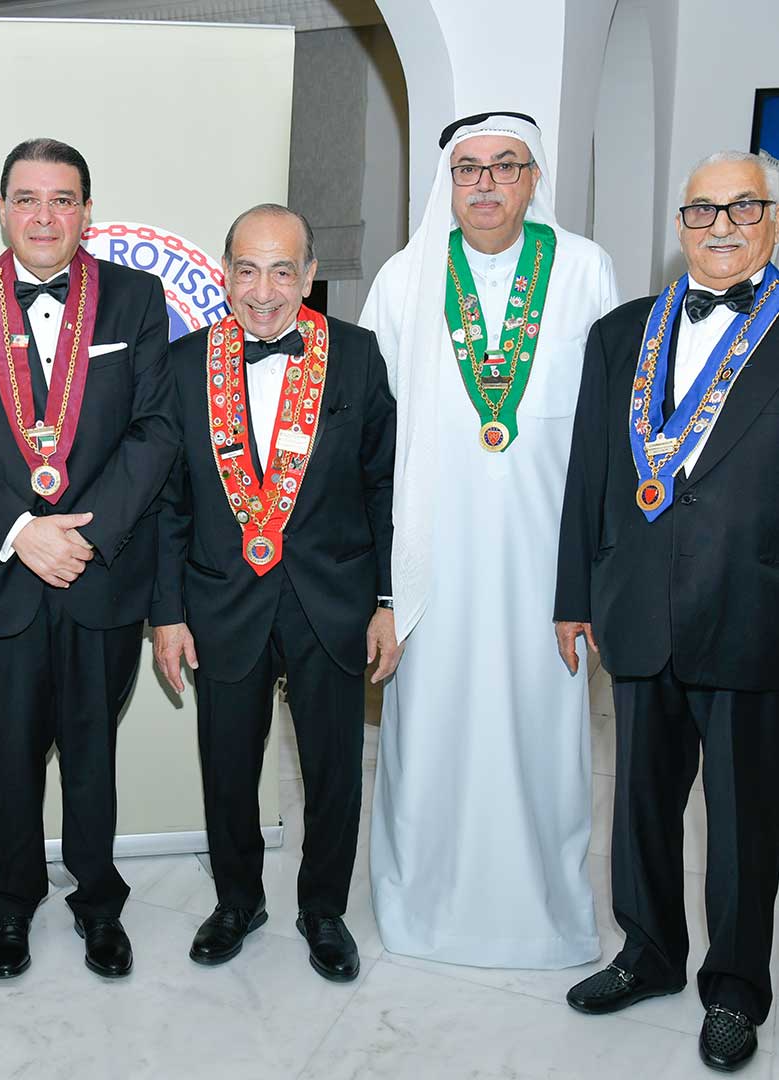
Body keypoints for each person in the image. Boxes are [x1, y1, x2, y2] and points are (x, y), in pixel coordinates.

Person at [359, 111, 619, 967]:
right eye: (467, 168)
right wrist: (381, 586)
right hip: (431, 555)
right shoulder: (404, 277)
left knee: (538, 729)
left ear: (533, 179)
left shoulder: (583, 267)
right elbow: (371, 435)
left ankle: (541, 912)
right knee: (432, 727)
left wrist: (592, 573)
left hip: (543, 558)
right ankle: (421, 906)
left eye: (505, 165)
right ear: (447, 181)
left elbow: (606, 430)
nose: (484, 183)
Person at [0, 137, 177, 980]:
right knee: (9, 749)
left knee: (92, 751)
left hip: (99, 573)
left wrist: (83, 536)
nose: (43, 216)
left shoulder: (135, 299)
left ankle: (99, 903)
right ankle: (12, 901)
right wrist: (20, 532)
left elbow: (155, 430)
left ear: (86, 212)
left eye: (61, 199)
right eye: (26, 199)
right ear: (1, 209)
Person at [557, 150, 779, 1074]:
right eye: (700, 210)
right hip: (638, 604)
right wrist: (573, 595)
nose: (719, 226)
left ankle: (734, 989)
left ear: (771, 219)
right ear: (678, 223)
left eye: (742, 207)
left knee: (742, 820)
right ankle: (646, 953)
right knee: (639, 803)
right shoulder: (620, 334)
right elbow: (588, 472)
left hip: (753, 608)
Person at [151, 205, 396, 979]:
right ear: (225, 274)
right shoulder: (182, 364)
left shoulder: (356, 355)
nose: (263, 291)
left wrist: (387, 602)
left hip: (332, 598)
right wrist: (166, 615)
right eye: (248, 270)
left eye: (282, 271)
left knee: (333, 768)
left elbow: (383, 486)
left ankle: (322, 909)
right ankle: (237, 901)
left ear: (309, 275)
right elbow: (168, 503)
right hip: (220, 600)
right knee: (226, 765)